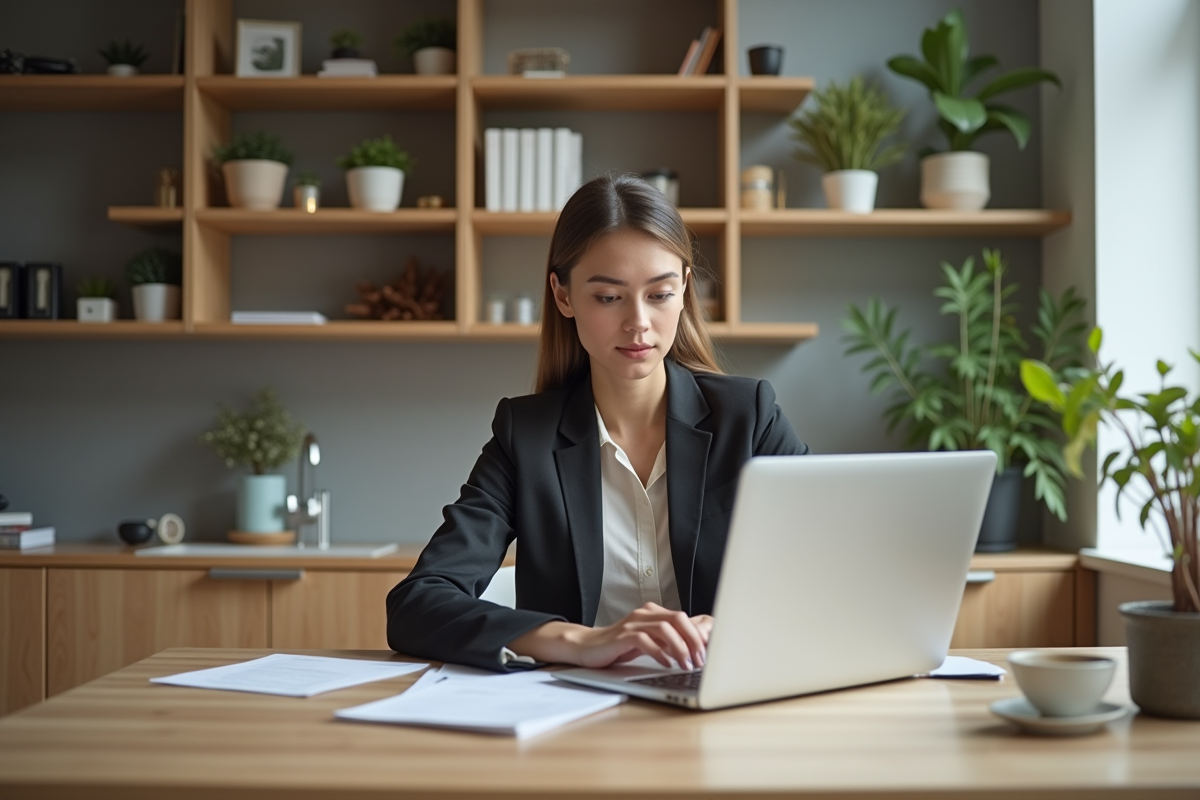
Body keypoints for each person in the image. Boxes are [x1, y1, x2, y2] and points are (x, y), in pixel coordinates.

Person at [386, 173, 809, 673]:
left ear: (685, 291)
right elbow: (417, 603)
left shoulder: (750, 417)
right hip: (575, 721)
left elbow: (831, 566)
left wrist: (733, 625)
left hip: (725, 702)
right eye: (609, 297)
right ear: (563, 296)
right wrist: (579, 641)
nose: (638, 322)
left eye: (660, 294)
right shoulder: (527, 438)